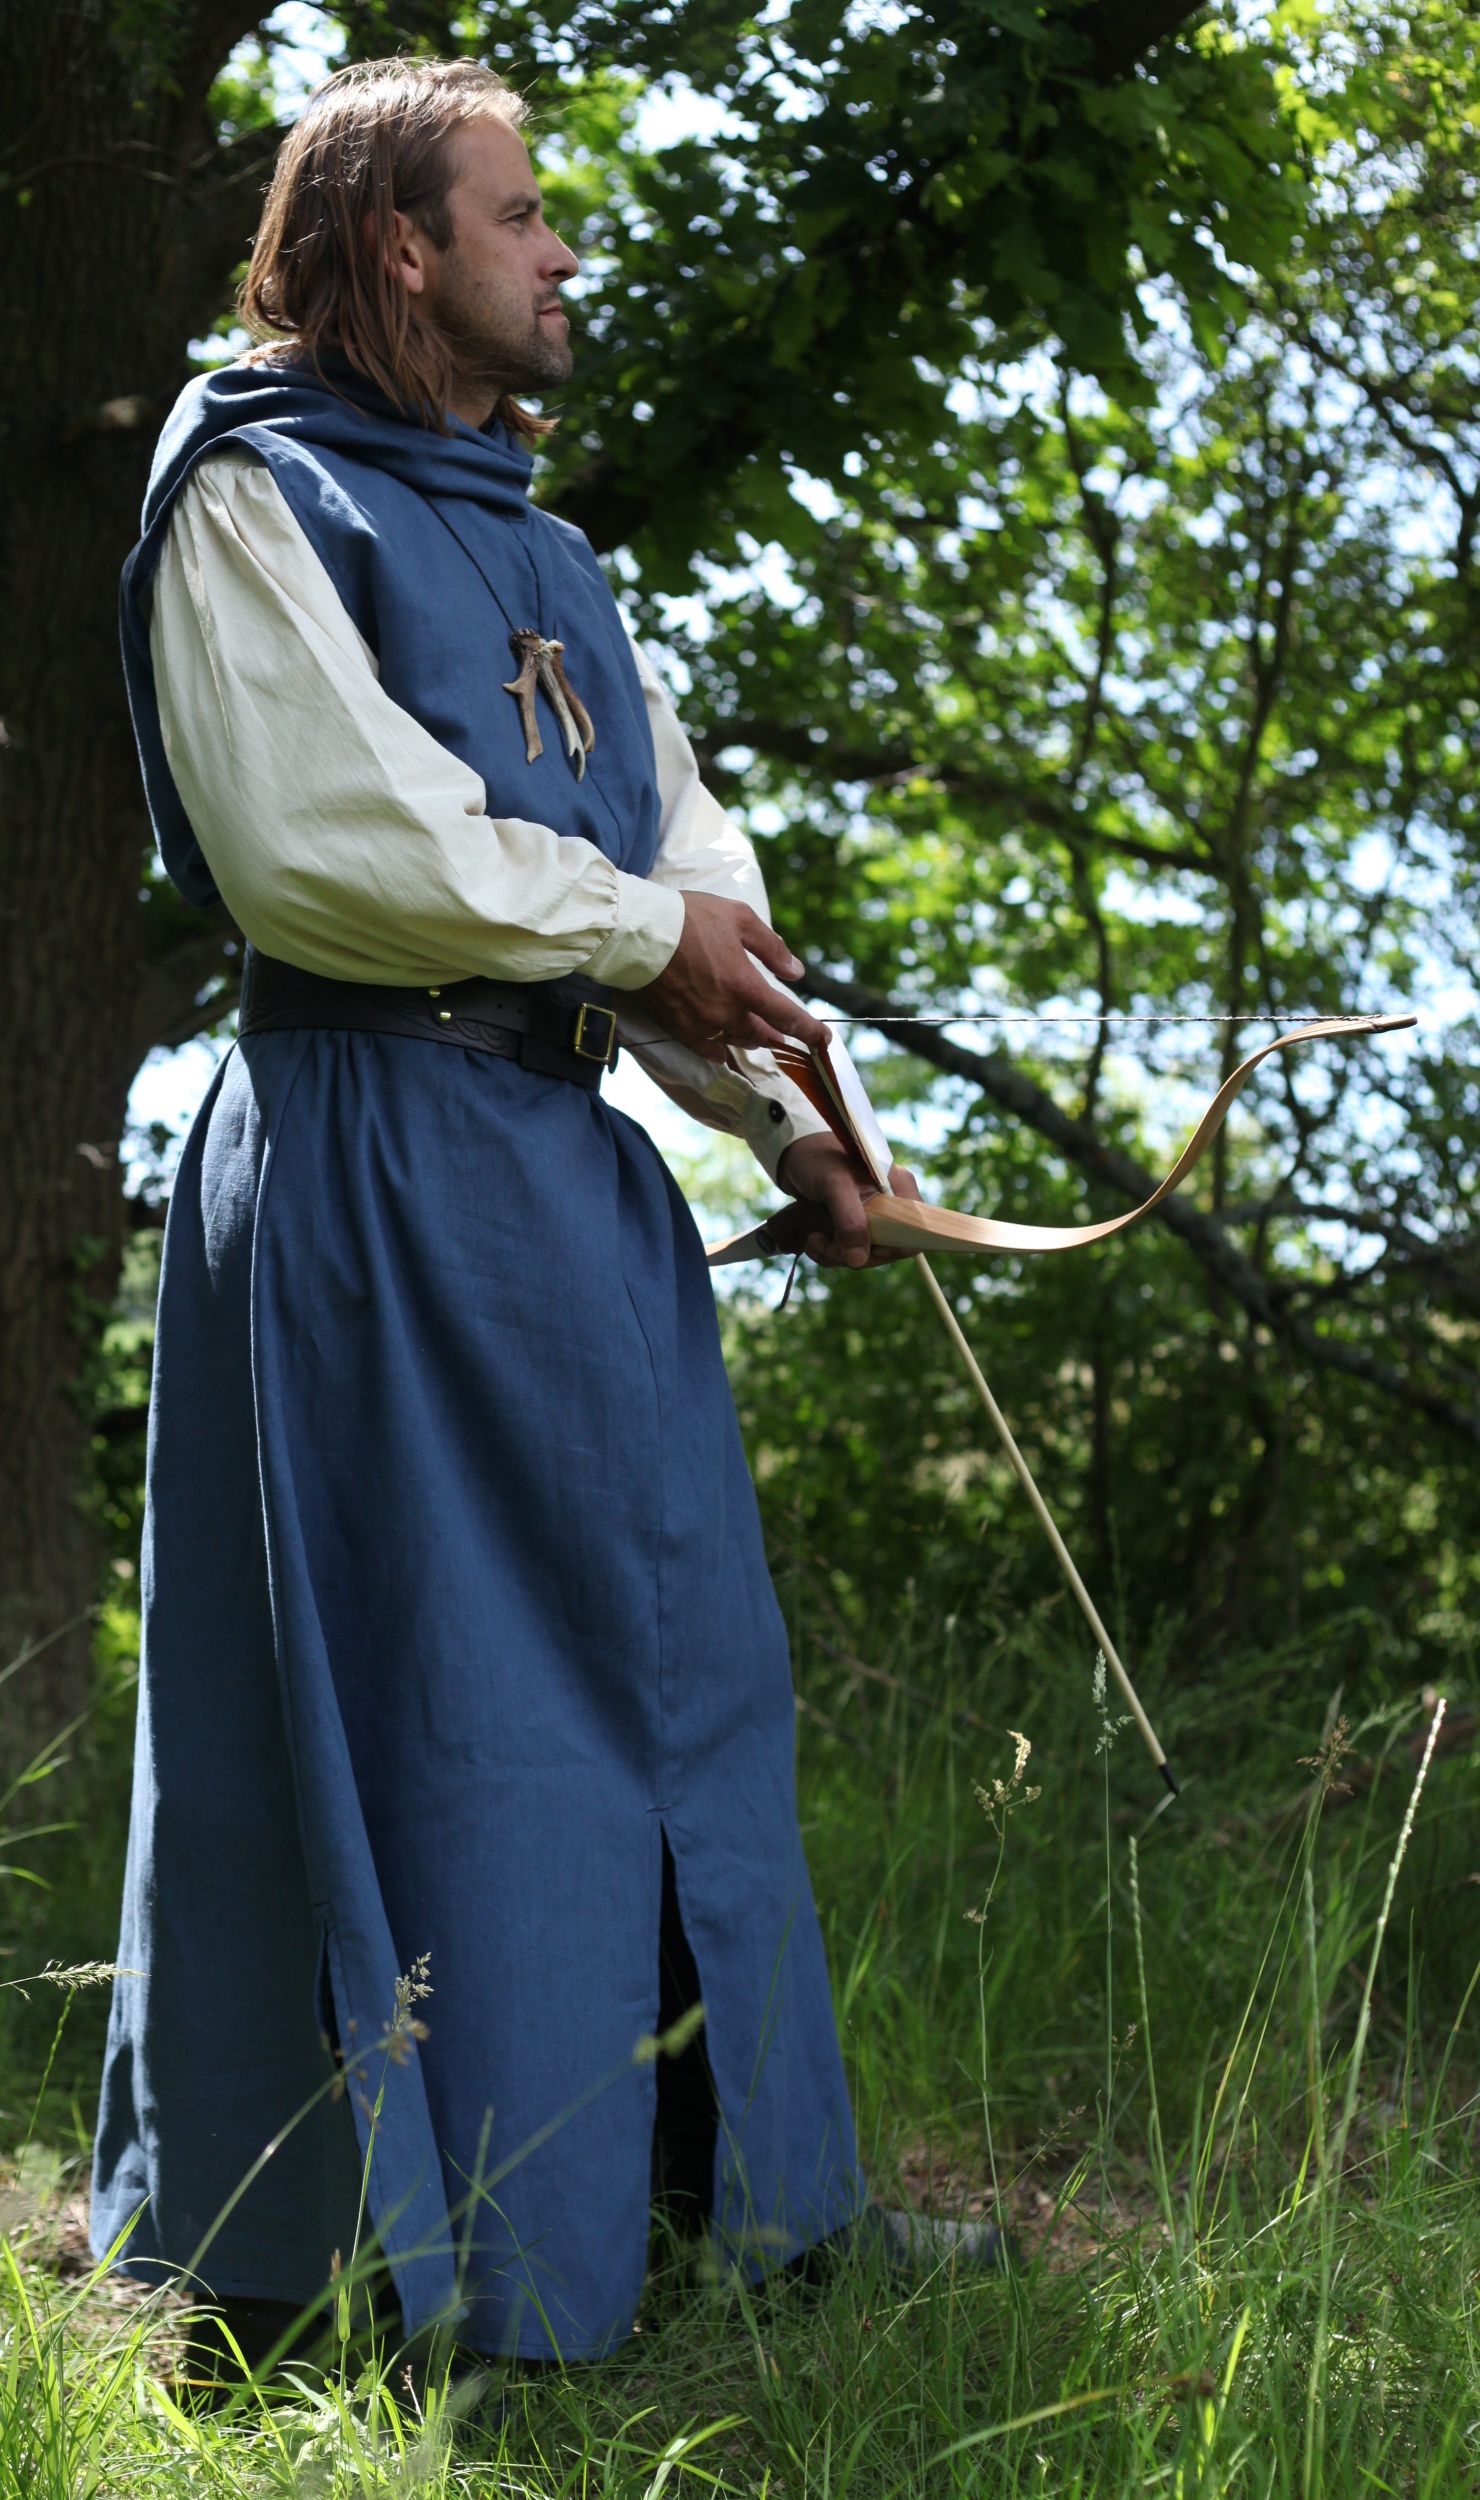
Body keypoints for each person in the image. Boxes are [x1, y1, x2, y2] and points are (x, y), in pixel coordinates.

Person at [90, 56, 928, 2368]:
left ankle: (721, 2200)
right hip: (365, 1159)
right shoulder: (255, 496)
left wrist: (796, 1122)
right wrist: (638, 948)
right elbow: (320, 853)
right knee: (429, 1695)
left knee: (679, 1686)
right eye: (522, 213)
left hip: (568, 1174)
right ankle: (364, 2264)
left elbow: (682, 880)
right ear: (400, 250)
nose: (561, 251)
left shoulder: (547, 550)